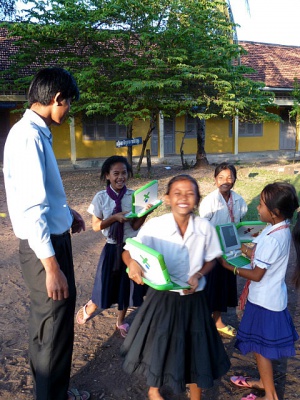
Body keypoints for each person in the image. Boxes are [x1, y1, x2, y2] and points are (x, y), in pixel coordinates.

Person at [3, 68, 89, 400]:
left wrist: (67, 213)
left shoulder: (35, 132)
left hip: (51, 241)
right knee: (52, 326)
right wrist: (52, 268)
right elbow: (30, 207)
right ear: (57, 99)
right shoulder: (27, 136)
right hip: (45, 250)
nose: (69, 112)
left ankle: (55, 391)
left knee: (54, 322)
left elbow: (44, 196)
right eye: (68, 104)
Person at [120, 174, 230, 400]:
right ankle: (154, 389)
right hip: (162, 297)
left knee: (195, 348)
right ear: (167, 198)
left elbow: (212, 258)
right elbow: (129, 250)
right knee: (159, 343)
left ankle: (195, 396)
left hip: (195, 299)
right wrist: (132, 264)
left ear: (197, 199)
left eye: (190, 194)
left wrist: (199, 273)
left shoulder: (204, 227)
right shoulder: (155, 226)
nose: (183, 198)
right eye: (177, 193)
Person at [220, 182, 300, 400]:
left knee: (262, 349)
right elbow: (260, 254)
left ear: (274, 213)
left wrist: (231, 266)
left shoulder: (273, 238)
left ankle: (270, 395)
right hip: (272, 297)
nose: (258, 208)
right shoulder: (280, 229)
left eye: (262, 205)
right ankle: (264, 383)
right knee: (262, 347)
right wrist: (244, 249)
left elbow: (256, 275)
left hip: (264, 302)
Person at [76, 155, 149, 337]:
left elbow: (134, 226)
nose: (120, 177)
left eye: (124, 173)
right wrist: (114, 218)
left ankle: (120, 321)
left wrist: (146, 212)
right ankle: (90, 306)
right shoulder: (100, 198)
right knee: (104, 285)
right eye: (116, 173)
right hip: (111, 248)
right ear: (107, 175)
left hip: (131, 249)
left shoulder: (134, 196)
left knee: (126, 287)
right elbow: (95, 226)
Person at [199, 162, 247, 337]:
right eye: (221, 177)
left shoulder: (239, 200)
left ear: (235, 179)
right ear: (214, 180)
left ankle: (218, 322)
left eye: (229, 177)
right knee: (208, 288)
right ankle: (203, 324)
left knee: (223, 288)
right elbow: (203, 229)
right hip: (212, 253)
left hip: (230, 252)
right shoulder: (209, 202)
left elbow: (239, 225)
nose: (225, 181)